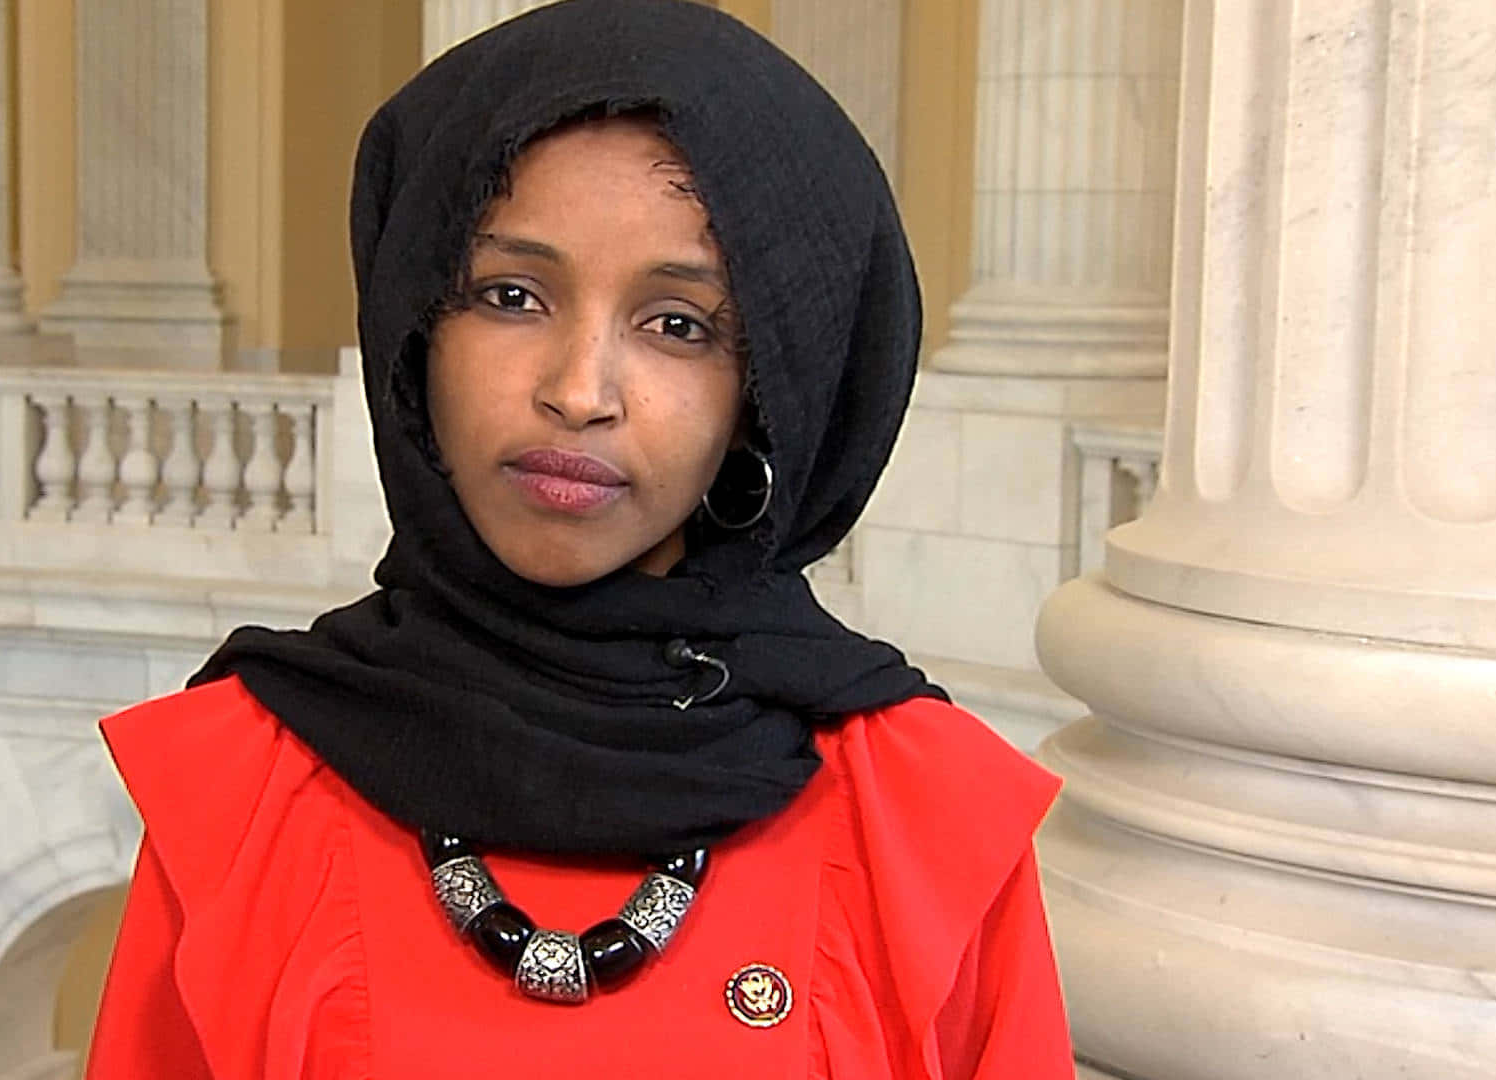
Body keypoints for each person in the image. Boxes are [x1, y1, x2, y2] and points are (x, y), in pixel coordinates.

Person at [86, 1, 1071, 1076]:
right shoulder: (241, 793)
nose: (577, 391)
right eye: (511, 295)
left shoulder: (926, 826)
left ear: (768, 394)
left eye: (679, 324)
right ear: (417, 332)